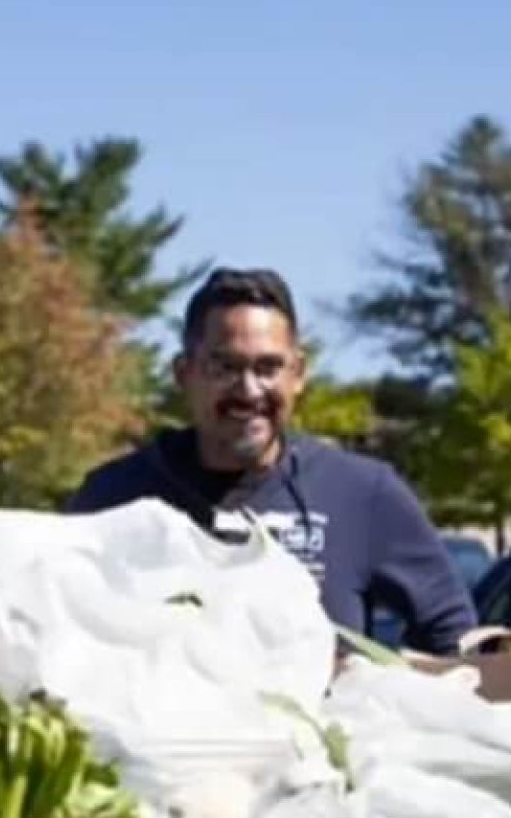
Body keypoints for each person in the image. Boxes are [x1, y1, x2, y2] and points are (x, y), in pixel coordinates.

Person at [68, 268, 477, 655]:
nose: (248, 390)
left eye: (269, 368)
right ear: (184, 373)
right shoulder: (114, 497)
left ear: (298, 374)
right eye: (224, 366)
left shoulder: (362, 495)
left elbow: (454, 638)